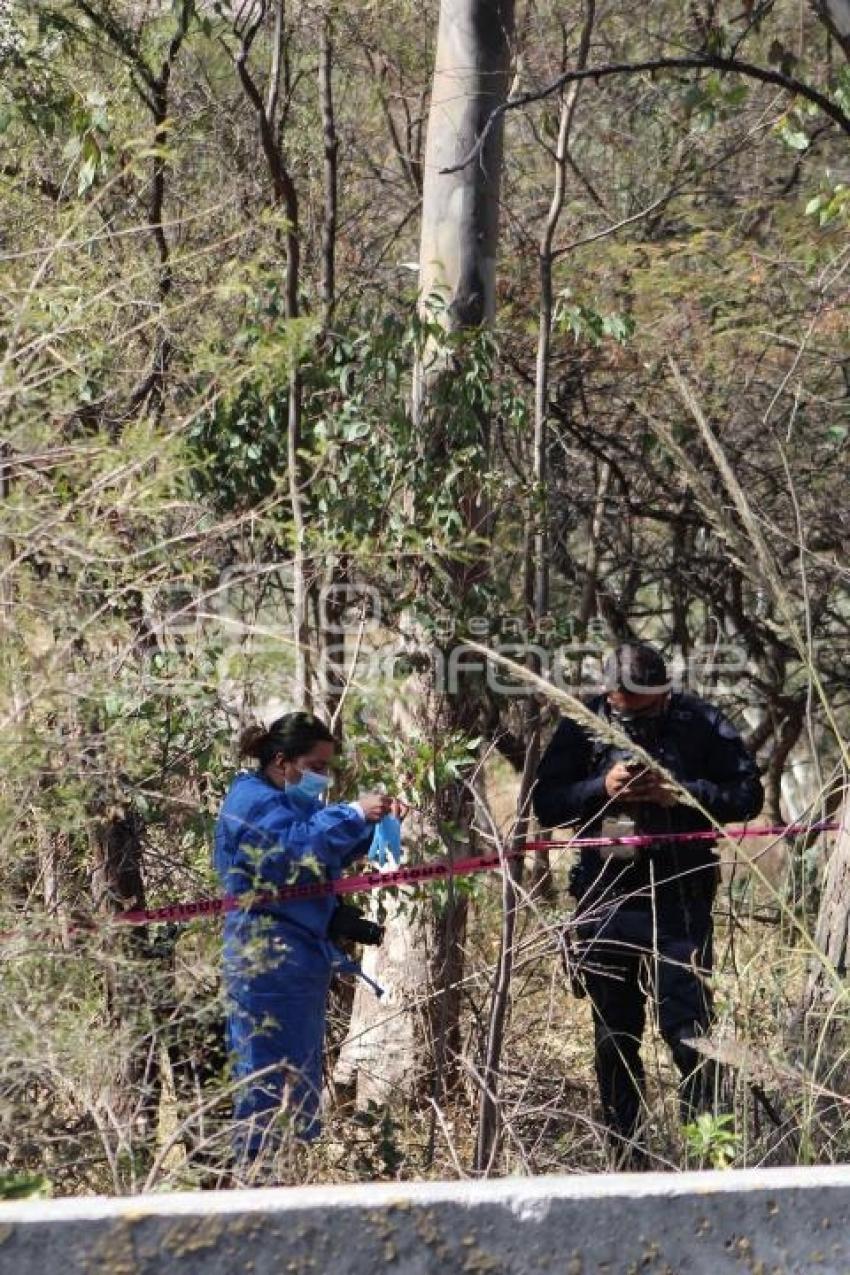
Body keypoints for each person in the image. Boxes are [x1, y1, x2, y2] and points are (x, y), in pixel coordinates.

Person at [533, 642, 763, 1163]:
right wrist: (601, 787)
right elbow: (546, 803)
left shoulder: (700, 720)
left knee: (690, 1036)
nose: (633, 719)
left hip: (682, 900)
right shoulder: (583, 723)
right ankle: (626, 1158)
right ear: (608, 694)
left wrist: (680, 791)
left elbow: (747, 796)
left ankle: (708, 1157)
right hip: (605, 902)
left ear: (664, 690)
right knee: (614, 1038)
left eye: (647, 707)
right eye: (623, 710)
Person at [213, 711, 399, 1164]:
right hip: (266, 961)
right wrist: (353, 811)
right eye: (316, 766)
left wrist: (373, 826)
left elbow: (325, 847)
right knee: (264, 1079)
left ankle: (288, 1176)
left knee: (297, 1081)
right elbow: (295, 851)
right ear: (283, 760)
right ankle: (256, 1180)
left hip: (300, 961)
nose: (323, 777)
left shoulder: (290, 803)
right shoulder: (251, 801)